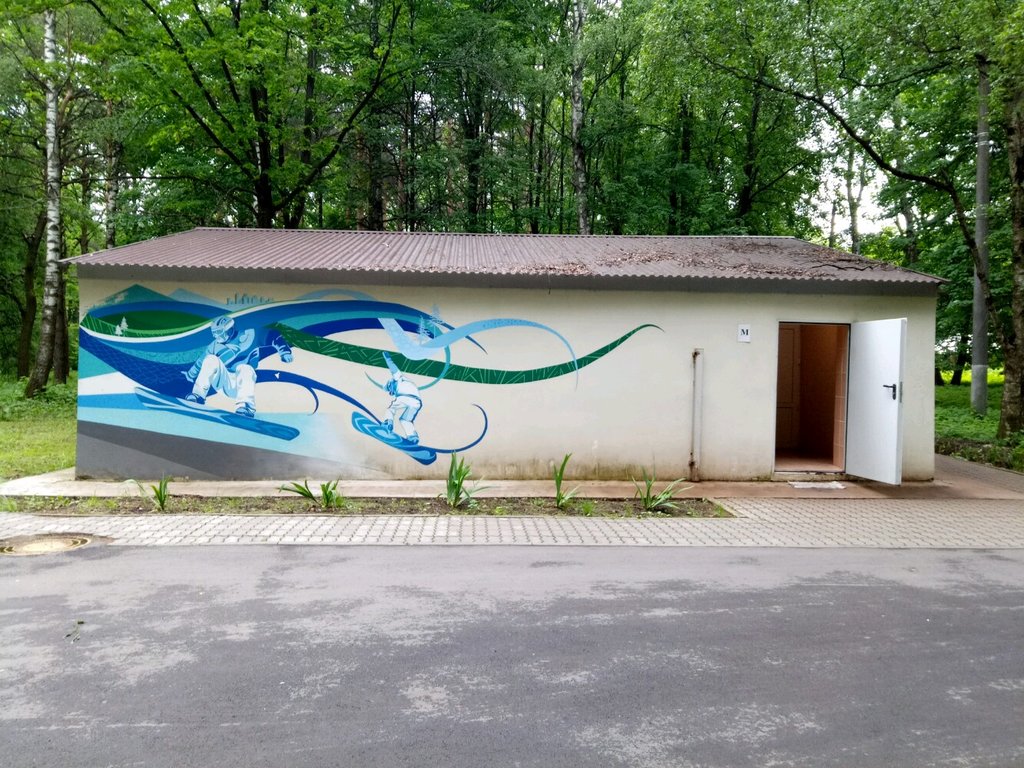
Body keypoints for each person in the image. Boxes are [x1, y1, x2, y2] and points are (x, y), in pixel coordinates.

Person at [183, 316, 292, 417]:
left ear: (229, 329)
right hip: (224, 381)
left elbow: (273, 335)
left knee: (244, 368)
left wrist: (284, 351)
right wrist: (190, 375)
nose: (217, 336)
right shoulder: (214, 345)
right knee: (211, 359)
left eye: (219, 332)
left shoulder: (250, 335)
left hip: (243, 383)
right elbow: (201, 362)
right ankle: (198, 396)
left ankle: (245, 407)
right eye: (214, 333)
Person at [381, 352, 422, 443]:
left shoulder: (398, 377)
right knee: (406, 420)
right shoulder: (406, 381)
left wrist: (388, 359)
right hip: (417, 402)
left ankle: (388, 422)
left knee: (391, 409)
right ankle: (412, 436)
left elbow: (393, 368)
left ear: (390, 383)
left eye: (390, 389)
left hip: (405, 397)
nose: (391, 393)